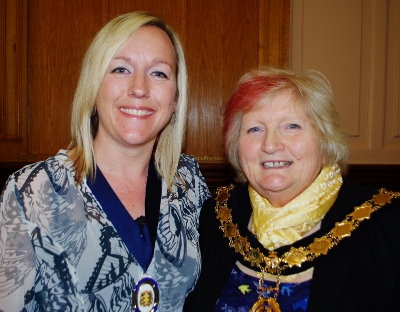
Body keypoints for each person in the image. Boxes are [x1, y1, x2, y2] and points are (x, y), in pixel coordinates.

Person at [0, 12, 210, 311]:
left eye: (159, 73)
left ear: (175, 97)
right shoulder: (30, 192)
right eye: (121, 69)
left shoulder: (189, 182)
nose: (139, 88)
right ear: (94, 86)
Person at [184, 67, 400, 312]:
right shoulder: (217, 217)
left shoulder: (385, 224)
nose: (271, 145)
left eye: (292, 126)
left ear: (325, 141)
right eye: (255, 129)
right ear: (236, 146)